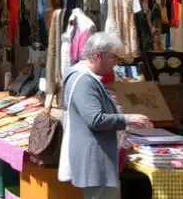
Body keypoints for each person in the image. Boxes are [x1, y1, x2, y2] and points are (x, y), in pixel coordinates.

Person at [59, 32, 153, 199]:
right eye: (113, 58)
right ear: (98, 55)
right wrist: (127, 119)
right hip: (95, 163)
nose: (115, 63)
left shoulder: (85, 78)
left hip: (96, 161)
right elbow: (95, 119)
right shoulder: (83, 80)